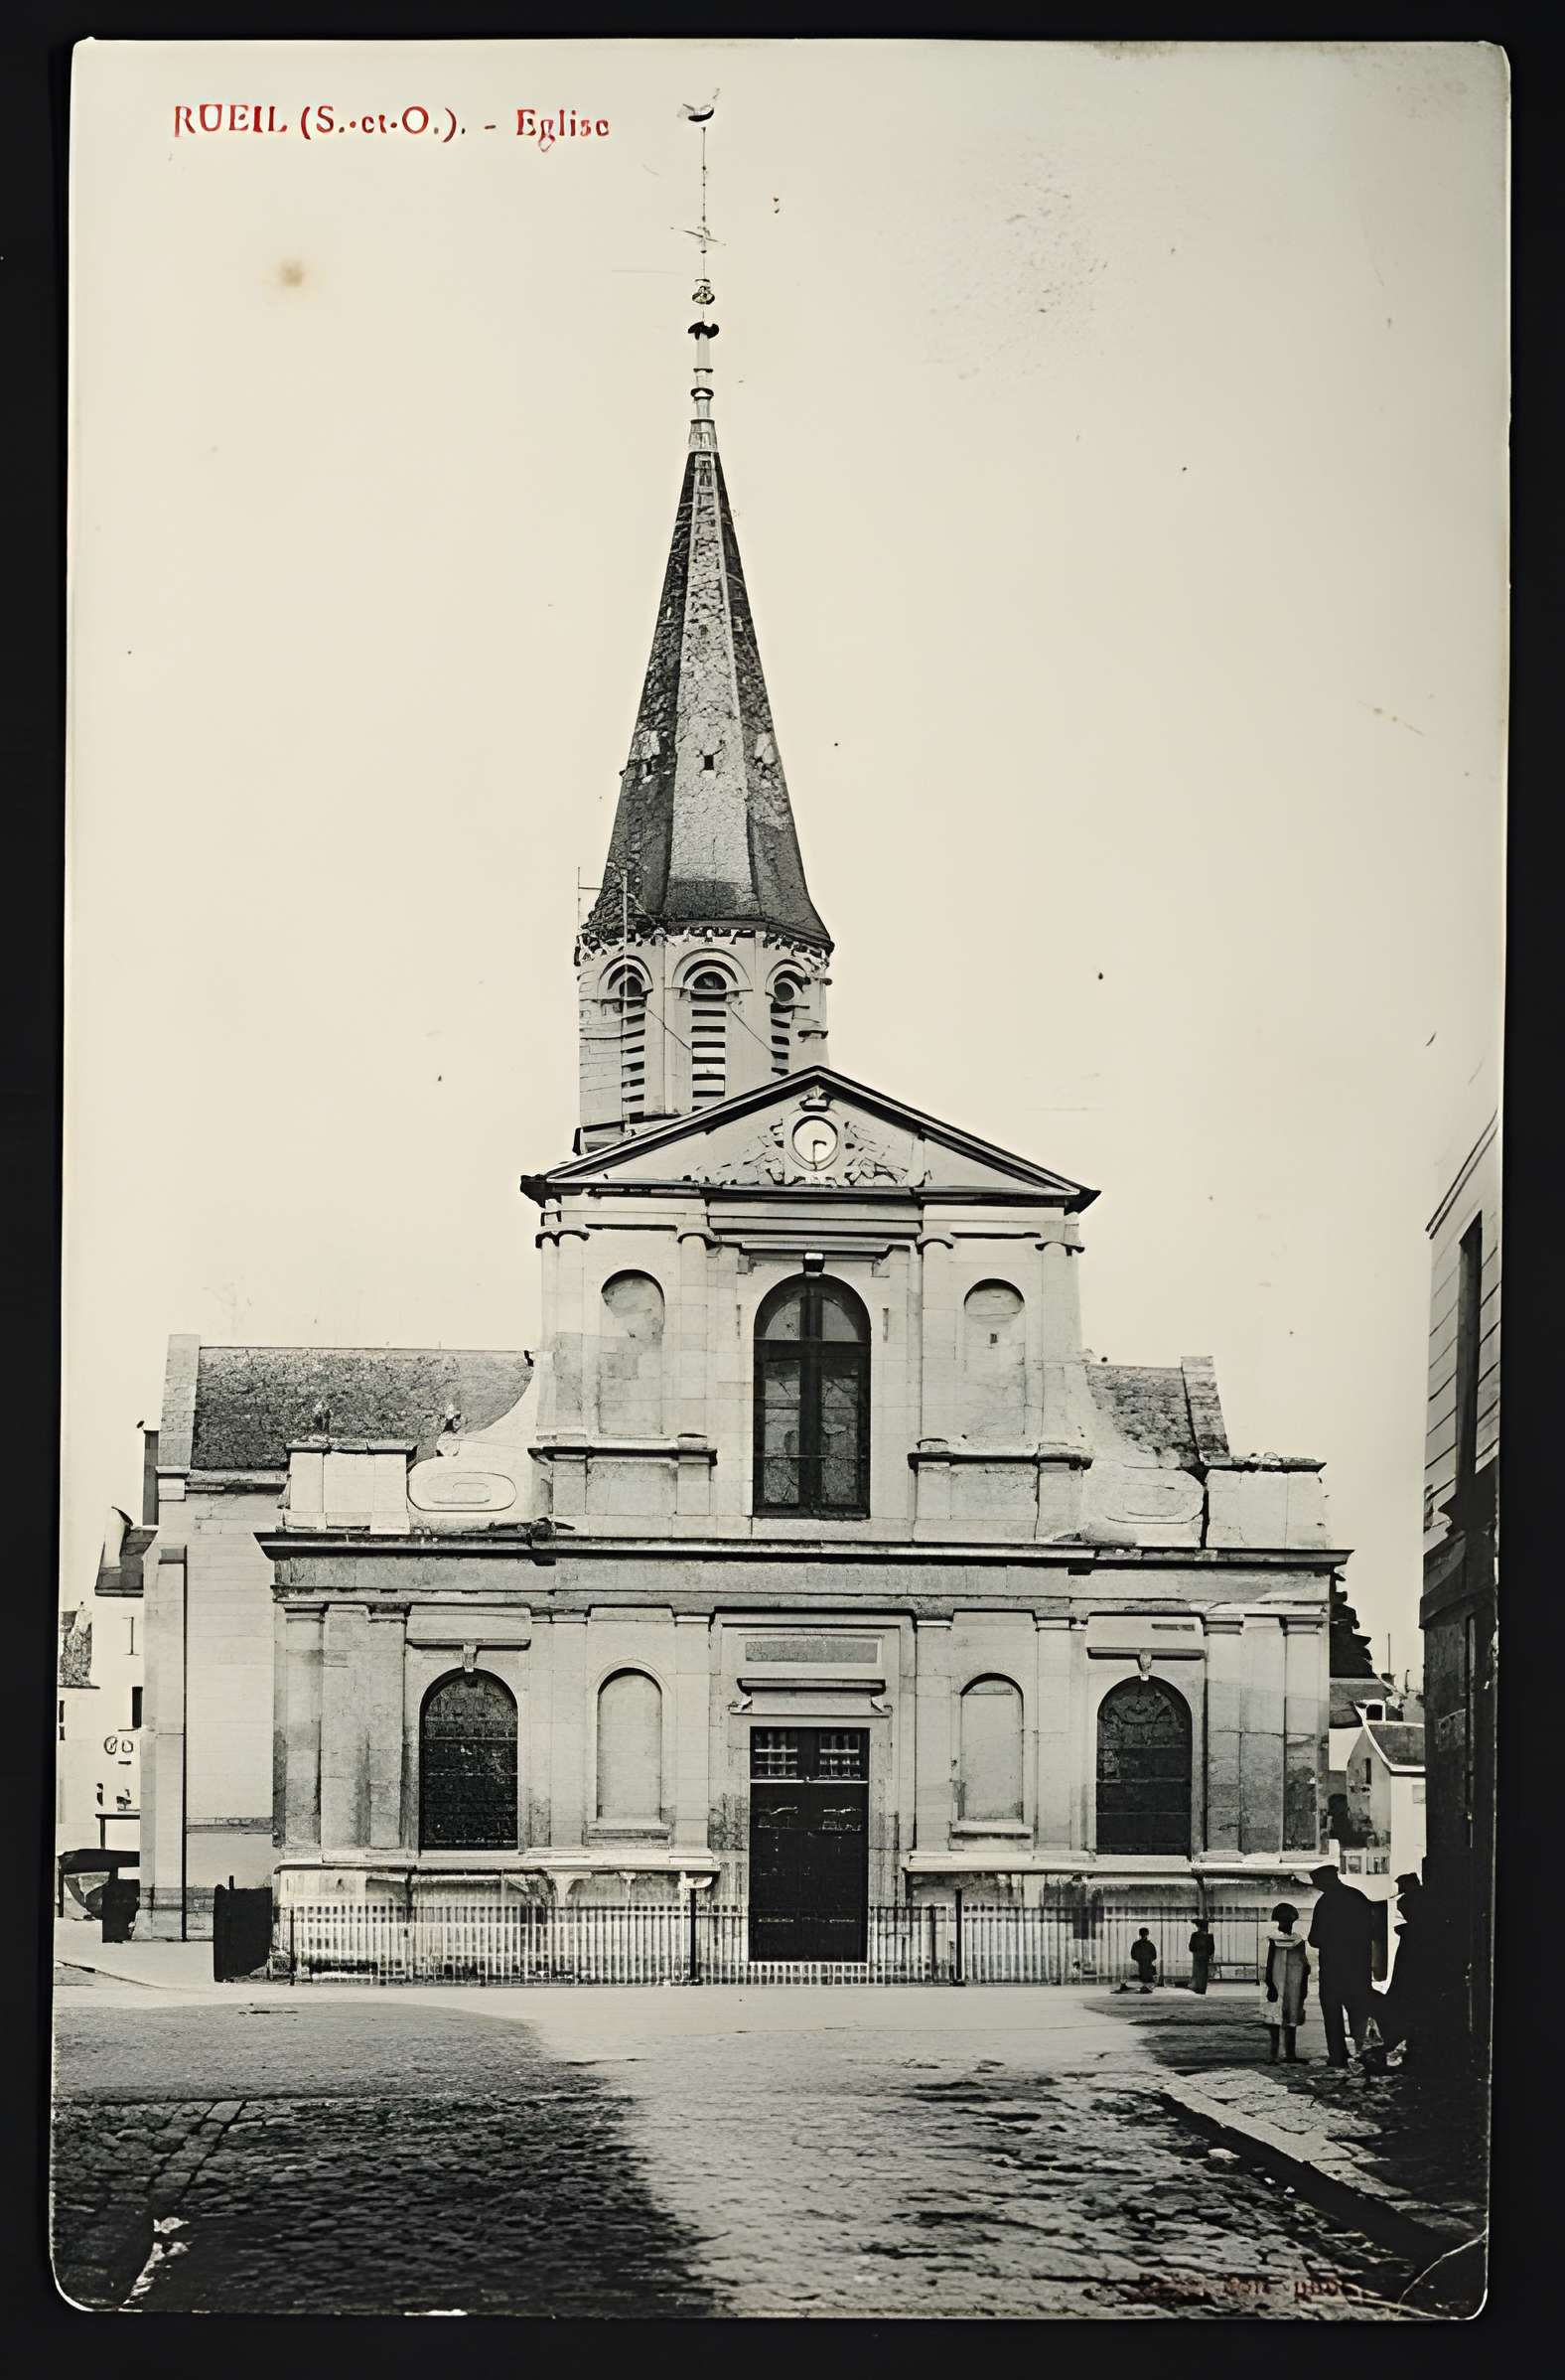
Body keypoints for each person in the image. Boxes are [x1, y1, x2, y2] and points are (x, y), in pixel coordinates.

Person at [1307, 1862, 1376, 2067]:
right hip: (1358, 1968)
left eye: (1317, 1883)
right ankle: (1363, 2052)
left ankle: (1338, 2055)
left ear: (1325, 1880)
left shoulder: (1324, 1903)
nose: (1317, 1886)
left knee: (1332, 2013)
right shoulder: (1358, 1898)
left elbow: (1314, 1939)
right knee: (1360, 2010)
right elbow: (1371, 1933)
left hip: (1333, 1969)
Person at [1261, 1902, 1310, 2062]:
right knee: (1275, 2019)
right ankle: (1274, 2054)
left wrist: (1303, 1986)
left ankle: (1290, 2054)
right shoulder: (1273, 1940)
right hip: (1277, 1983)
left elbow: (1305, 1965)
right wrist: (1270, 1985)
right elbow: (1268, 1965)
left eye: (1288, 1921)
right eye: (1283, 1921)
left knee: (1291, 2019)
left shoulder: (1299, 1941)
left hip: (1294, 1985)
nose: (1286, 1924)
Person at [1189, 1919, 1215, 1996]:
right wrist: (1209, 1955)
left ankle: (1197, 1987)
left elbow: (1191, 1947)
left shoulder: (1194, 1935)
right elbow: (1211, 1949)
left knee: (1197, 1972)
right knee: (1204, 1973)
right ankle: (1202, 1988)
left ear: (1198, 1927)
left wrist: (1197, 1950)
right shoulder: (1210, 1936)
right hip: (1205, 1957)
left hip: (1197, 1956)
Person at [1129, 1928, 1158, 1993]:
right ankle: (1146, 1989)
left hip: (1141, 1964)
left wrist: (1140, 1959)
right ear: (1147, 1934)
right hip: (1148, 1965)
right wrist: (1148, 1959)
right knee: (1148, 1982)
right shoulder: (1150, 1945)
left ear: (1139, 1934)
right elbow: (1154, 1956)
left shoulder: (1136, 1944)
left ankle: (1144, 1989)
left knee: (1142, 1980)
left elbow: (1133, 1955)